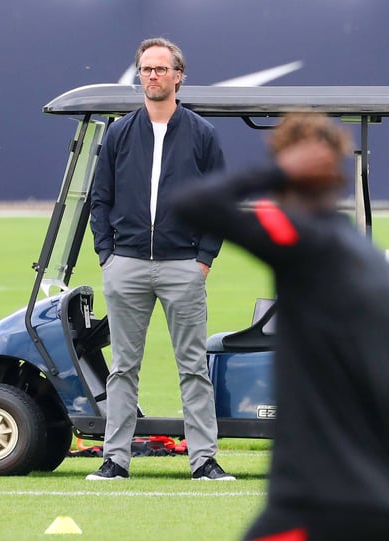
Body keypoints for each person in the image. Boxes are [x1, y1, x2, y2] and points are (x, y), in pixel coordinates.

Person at [168, 113, 389, 540]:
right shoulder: (387, 274)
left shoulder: (303, 244)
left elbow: (191, 203)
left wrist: (276, 171)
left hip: (317, 504)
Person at [87, 37, 233, 481]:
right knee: (123, 368)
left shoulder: (202, 134)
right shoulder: (118, 133)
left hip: (183, 267)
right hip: (126, 265)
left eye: (160, 69)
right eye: (146, 69)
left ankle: (203, 460)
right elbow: (100, 199)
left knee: (192, 367)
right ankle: (115, 459)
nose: (152, 76)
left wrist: (203, 259)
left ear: (178, 75)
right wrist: (107, 256)